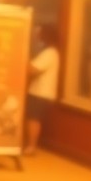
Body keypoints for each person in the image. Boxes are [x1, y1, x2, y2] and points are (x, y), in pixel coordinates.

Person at [25, 24, 60, 156]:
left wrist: (24, 55)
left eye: (39, 33)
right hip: (41, 92)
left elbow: (32, 69)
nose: (37, 36)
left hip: (40, 93)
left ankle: (31, 147)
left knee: (33, 119)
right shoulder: (49, 52)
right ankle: (30, 145)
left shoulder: (49, 53)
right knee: (33, 118)